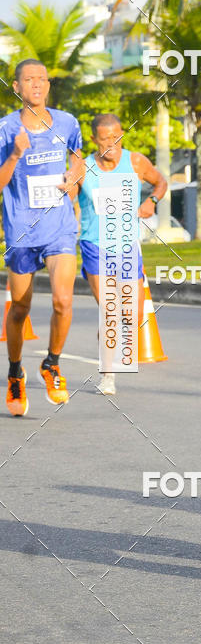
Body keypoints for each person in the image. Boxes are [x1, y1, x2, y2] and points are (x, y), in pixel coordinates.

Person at [0, 59, 84, 415]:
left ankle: (51, 364)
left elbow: (78, 159)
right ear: (16, 87)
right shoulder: (5, 129)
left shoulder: (67, 122)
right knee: (20, 307)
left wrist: (74, 179)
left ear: (49, 85)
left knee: (63, 301)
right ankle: (15, 372)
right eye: (29, 79)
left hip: (59, 226)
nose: (36, 84)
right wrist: (16, 153)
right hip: (21, 229)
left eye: (42, 79)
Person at [75, 113, 167, 395]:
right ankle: (108, 374)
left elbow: (161, 182)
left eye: (116, 137)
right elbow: (66, 199)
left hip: (127, 247)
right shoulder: (83, 168)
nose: (112, 144)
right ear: (94, 139)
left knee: (132, 315)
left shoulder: (136, 162)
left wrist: (151, 201)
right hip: (95, 246)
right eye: (105, 139)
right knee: (110, 311)